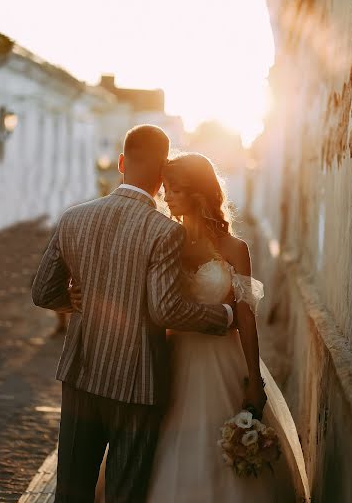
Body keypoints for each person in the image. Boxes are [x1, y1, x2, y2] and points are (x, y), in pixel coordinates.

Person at [31, 126, 235, 503]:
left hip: (81, 371)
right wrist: (224, 316)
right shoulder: (163, 231)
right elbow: (165, 309)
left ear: (122, 162)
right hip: (137, 383)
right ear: (162, 175)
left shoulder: (74, 217)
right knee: (125, 493)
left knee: (71, 491)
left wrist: (72, 301)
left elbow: (43, 292)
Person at [96, 152, 310, 502]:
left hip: (222, 360)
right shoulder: (166, 241)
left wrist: (254, 379)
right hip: (169, 359)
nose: (166, 197)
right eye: (165, 188)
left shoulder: (234, 248)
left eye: (175, 190)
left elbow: (245, 316)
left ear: (198, 194)